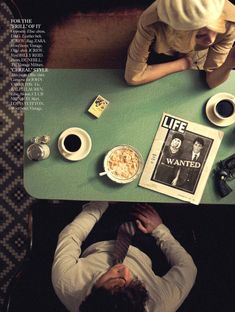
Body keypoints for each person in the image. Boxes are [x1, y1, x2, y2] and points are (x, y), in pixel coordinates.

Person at [52, 201, 197, 312]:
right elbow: (188, 268)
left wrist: (100, 203)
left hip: (97, 237)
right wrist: (159, 229)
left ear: (92, 292)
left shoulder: (67, 283)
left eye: (114, 280)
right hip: (145, 244)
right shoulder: (161, 303)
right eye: (135, 282)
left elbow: (71, 236)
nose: (124, 271)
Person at [125, 0, 235, 88]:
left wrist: (229, 63)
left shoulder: (230, 24)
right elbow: (133, 77)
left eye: (216, 28)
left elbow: (211, 82)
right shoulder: (151, 21)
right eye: (200, 35)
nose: (211, 41)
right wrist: (183, 64)